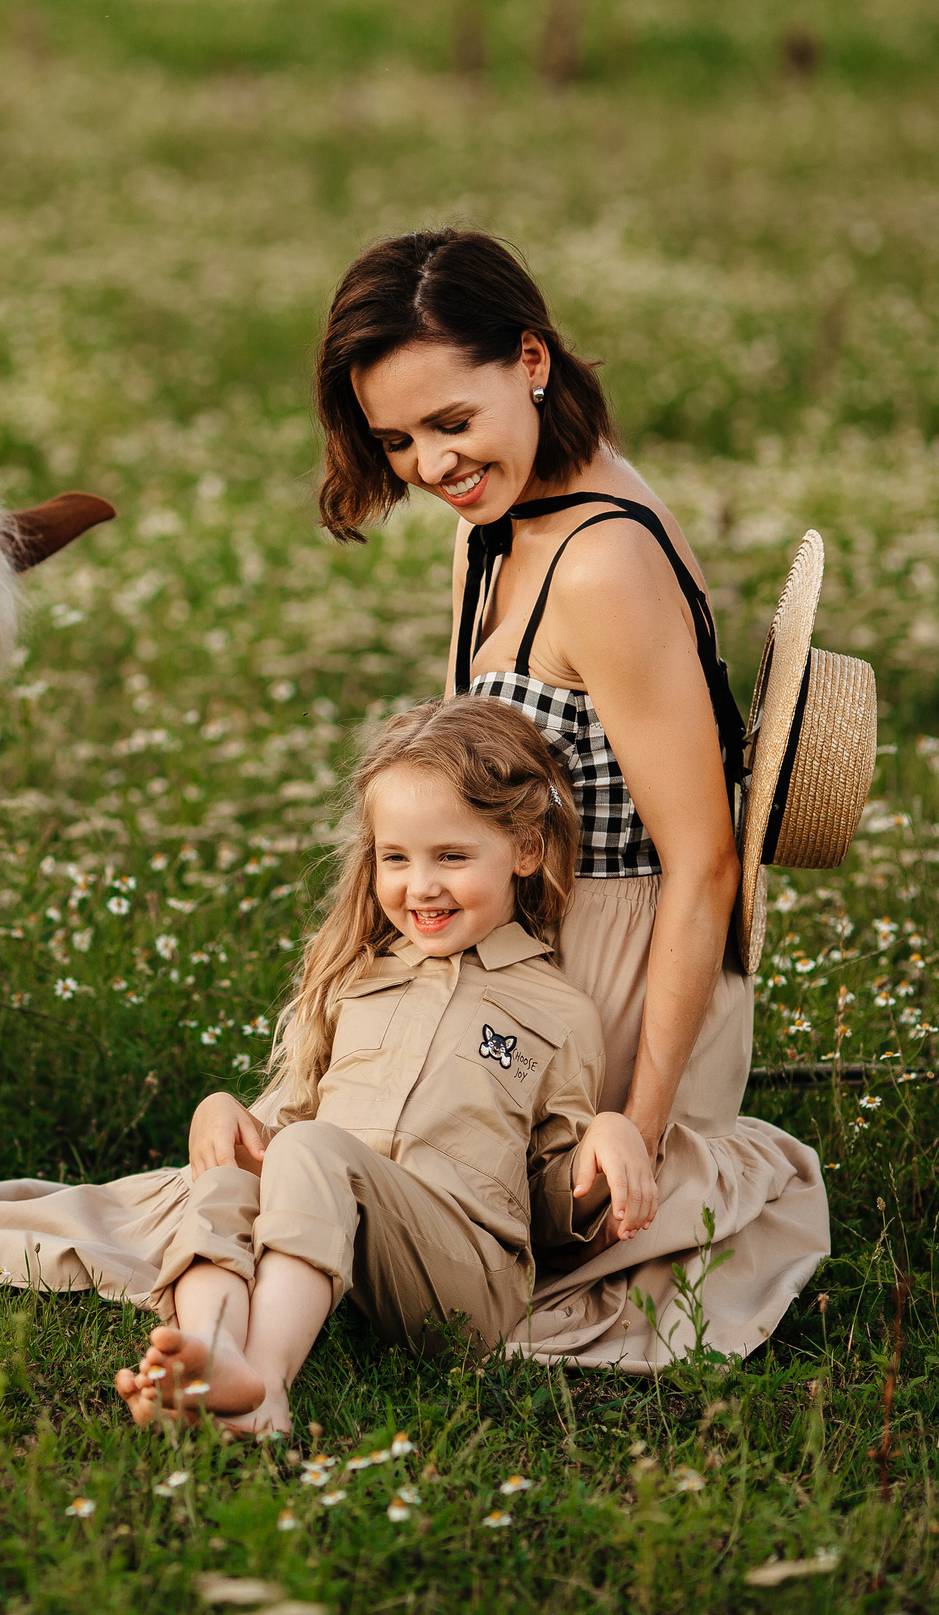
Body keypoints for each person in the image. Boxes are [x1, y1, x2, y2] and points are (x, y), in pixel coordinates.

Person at [311, 228, 827, 1368]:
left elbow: (703, 862)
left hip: (615, 960)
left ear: (531, 361)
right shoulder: (492, 528)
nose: (431, 464)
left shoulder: (600, 565)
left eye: (451, 421)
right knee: (329, 1160)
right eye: (397, 440)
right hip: (517, 930)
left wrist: (637, 1124)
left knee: (389, 1201)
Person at [0, 698, 656, 1433]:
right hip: (333, 1239)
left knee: (313, 1150)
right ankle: (212, 1350)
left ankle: (265, 1383)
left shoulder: (558, 1009)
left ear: (526, 850)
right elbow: (289, 1125)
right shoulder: (357, 976)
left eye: (452, 857)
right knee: (234, 1168)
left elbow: (549, 1210)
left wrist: (606, 1139)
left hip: (461, 1277)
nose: (420, 886)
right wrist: (223, 1112)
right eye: (396, 858)